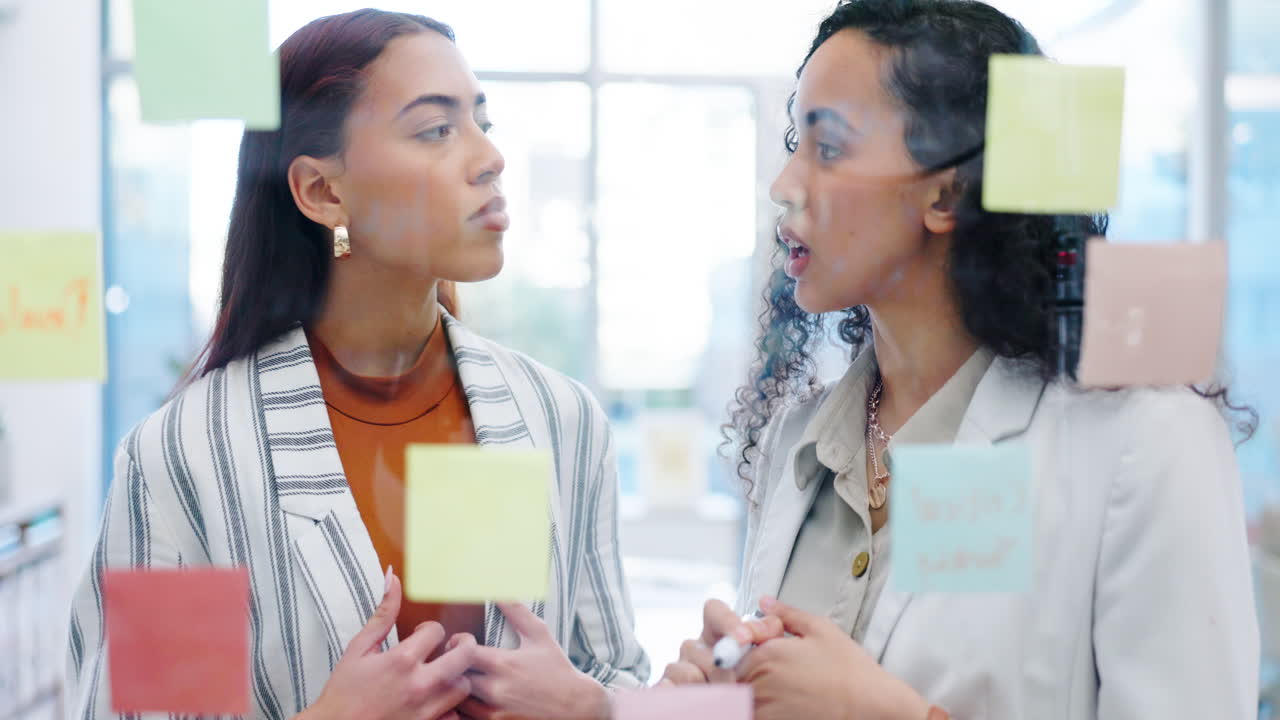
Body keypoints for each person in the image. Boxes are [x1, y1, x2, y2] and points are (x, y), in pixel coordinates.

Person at [660, 1, 1260, 718]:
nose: (784, 184)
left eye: (827, 147)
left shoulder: (1143, 441)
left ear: (946, 191)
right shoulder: (804, 447)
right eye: (795, 140)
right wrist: (712, 702)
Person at [67, 10, 647, 720]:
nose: (489, 157)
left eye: (481, 123)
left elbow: (612, 665)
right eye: (436, 129)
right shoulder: (187, 457)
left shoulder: (557, 416)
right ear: (323, 192)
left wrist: (592, 707)